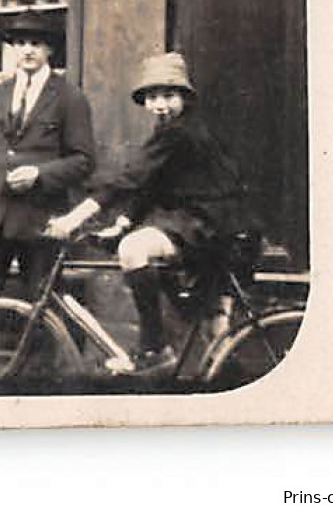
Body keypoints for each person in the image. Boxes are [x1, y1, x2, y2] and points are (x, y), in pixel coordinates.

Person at [45, 51, 253, 374]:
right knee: (216, 341)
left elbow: (130, 178)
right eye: (153, 97)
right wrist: (124, 220)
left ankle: (154, 347)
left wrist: (75, 218)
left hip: (208, 223)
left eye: (169, 95)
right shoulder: (177, 128)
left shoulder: (179, 132)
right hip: (214, 222)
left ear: (184, 96)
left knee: (133, 249)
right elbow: (152, 182)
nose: (160, 104)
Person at [0, 11, 95, 379]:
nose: (27, 50)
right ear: (13, 50)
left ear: (48, 50)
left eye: (36, 43)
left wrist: (40, 175)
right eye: (20, 44)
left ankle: (36, 375)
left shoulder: (68, 97)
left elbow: (83, 161)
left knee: (39, 301)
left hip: (38, 217)